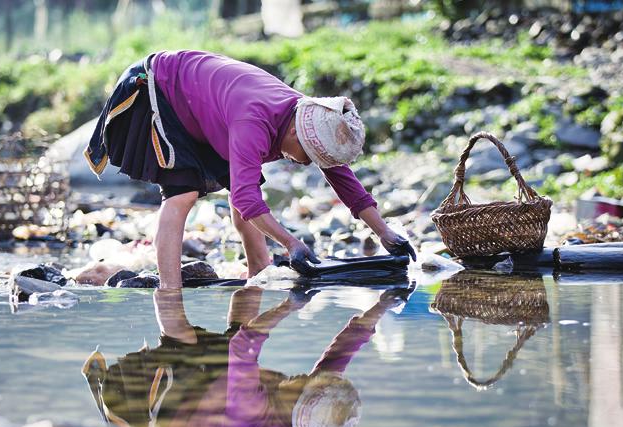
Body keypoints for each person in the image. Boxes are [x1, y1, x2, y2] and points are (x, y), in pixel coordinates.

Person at [85, 50, 416, 289]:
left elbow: (343, 179)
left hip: (205, 107)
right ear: (292, 133)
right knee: (182, 193)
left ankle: (259, 270)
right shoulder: (252, 123)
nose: (305, 162)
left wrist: (384, 232)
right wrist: (291, 244)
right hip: (159, 89)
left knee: (243, 187)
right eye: (307, 154)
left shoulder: (310, 114)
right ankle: (169, 292)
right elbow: (245, 198)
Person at [82, 285, 413, 427]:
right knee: (227, 348)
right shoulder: (305, 411)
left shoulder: (251, 416)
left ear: (294, 405)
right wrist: (383, 305)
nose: (302, 376)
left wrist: (289, 305)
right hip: (203, 406)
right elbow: (341, 353)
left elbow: (243, 347)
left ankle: (166, 287)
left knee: (187, 344)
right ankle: (253, 270)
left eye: (302, 383)